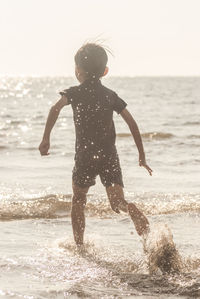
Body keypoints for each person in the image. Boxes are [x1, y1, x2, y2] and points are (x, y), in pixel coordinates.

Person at [39, 43, 153, 247]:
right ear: (105, 71)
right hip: (109, 155)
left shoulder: (74, 93)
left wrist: (46, 138)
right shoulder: (110, 95)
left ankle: (80, 246)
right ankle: (130, 208)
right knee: (117, 202)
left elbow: (55, 109)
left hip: (84, 156)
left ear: (77, 71)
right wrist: (141, 156)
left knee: (79, 200)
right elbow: (132, 123)